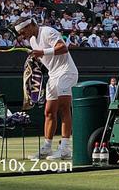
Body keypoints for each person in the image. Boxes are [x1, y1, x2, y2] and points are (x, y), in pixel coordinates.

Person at [14, 16, 79, 160]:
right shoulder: (31, 41)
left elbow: (63, 48)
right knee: (49, 112)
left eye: (22, 31)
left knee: (63, 108)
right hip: (53, 75)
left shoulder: (48, 32)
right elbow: (45, 58)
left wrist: (42, 52)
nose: (21, 35)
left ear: (30, 25)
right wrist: (34, 59)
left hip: (66, 72)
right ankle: (47, 147)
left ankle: (65, 149)